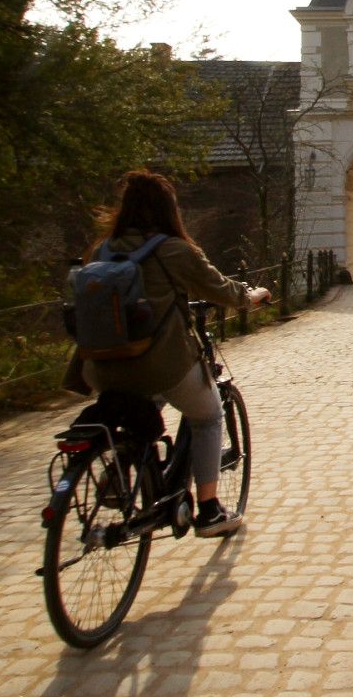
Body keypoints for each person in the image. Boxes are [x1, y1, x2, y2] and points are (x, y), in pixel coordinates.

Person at [62, 170, 270, 537]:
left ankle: (120, 465)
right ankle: (209, 510)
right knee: (207, 415)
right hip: (158, 364)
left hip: (100, 367)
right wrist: (253, 296)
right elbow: (223, 290)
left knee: (141, 400)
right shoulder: (174, 250)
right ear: (169, 210)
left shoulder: (100, 250)